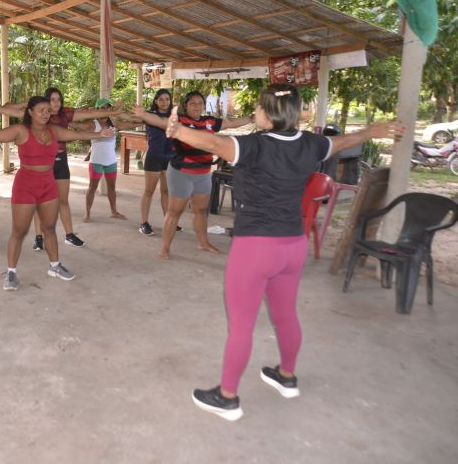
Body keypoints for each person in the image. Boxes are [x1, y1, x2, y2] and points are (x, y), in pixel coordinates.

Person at [164, 84, 400, 421]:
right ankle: (286, 376)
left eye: (259, 107)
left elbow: (214, 143)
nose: (255, 112)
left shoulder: (255, 146)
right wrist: (372, 132)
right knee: (286, 314)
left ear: (269, 113)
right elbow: (342, 142)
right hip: (293, 245)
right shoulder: (310, 143)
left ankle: (228, 397)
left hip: (255, 248)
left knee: (241, 326)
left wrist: (178, 130)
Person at [0, 96, 115, 291]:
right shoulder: (20, 130)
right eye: (41, 110)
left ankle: (55, 266)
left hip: (48, 185)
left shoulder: (54, 130)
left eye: (48, 110)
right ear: (30, 112)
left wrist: (100, 134)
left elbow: (78, 135)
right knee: (19, 231)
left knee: (49, 228)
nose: (45, 113)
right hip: (25, 185)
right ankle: (11, 272)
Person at [0, 87, 121, 250]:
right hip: (43, 163)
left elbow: (90, 113)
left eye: (58, 99)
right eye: (52, 99)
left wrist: (112, 111)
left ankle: (69, 234)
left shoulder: (65, 114)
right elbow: (12, 111)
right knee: (39, 202)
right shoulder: (38, 116)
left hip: (61, 161)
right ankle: (38, 238)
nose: (56, 103)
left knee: (63, 200)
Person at [137, 91, 253, 258]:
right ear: (186, 106)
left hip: (203, 173)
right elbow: (161, 121)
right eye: (193, 103)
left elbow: (231, 123)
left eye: (200, 103)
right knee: (174, 212)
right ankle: (165, 248)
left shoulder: (210, 122)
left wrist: (251, 118)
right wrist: (143, 115)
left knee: (200, 210)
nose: (197, 106)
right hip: (181, 173)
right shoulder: (180, 120)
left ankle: (203, 242)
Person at [82, 99, 141, 223]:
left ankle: (114, 212)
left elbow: (135, 123)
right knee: (92, 187)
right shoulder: (93, 124)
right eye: (102, 108)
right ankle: (87, 213)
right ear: (97, 110)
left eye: (107, 108)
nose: (105, 110)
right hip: (96, 161)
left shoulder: (114, 123)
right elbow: (77, 127)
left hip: (111, 161)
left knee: (112, 188)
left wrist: (120, 113)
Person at [138, 88, 174, 236]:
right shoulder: (149, 115)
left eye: (167, 99)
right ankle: (144, 223)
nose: (164, 102)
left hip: (170, 158)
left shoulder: (175, 116)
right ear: (156, 101)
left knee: (166, 191)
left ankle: (168, 221)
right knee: (149, 191)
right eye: (161, 99)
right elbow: (132, 118)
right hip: (154, 157)